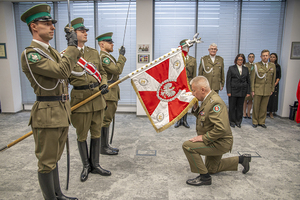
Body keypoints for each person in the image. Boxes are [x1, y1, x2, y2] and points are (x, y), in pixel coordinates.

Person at [20, 4, 80, 199]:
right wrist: (72, 47)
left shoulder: (51, 52)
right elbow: (62, 71)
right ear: (33, 26)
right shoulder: (31, 54)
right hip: (47, 113)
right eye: (46, 23)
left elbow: (69, 67)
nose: (52, 27)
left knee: (55, 158)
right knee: (46, 161)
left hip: (60, 110)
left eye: (52, 23)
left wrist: (74, 47)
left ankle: (57, 194)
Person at [182, 76, 251, 186]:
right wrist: (195, 107)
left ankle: (204, 178)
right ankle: (242, 159)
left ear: (203, 90)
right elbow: (203, 115)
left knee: (188, 146)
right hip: (216, 139)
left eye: (194, 90)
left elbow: (221, 128)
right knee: (211, 168)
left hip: (219, 142)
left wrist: (203, 138)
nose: (193, 93)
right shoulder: (208, 99)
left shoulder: (215, 103)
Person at [67, 18, 111, 182]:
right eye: (82, 31)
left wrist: (104, 84)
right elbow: (64, 79)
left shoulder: (93, 53)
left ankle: (96, 165)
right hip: (80, 100)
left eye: (86, 30)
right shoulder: (66, 55)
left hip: (97, 99)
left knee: (96, 132)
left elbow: (103, 73)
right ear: (73, 34)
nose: (86, 33)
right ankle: (86, 166)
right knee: (82, 135)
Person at [96, 32, 126, 155]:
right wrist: (121, 57)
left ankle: (106, 145)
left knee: (107, 119)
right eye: (109, 42)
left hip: (112, 90)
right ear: (102, 44)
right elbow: (117, 70)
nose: (112, 44)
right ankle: (103, 147)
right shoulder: (104, 57)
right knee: (105, 119)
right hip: (108, 92)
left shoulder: (107, 56)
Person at [175, 39, 197, 128]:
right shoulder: (176, 59)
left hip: (188, 83)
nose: (186, 48)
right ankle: (178, 120)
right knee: (178, 102)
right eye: (184, 47)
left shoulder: (193, 60)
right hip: (178, 83)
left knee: (186, 102)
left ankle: (184, 121)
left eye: (187, 47)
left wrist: (194, 85)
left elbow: (194, 74)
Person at [251, 50, 276, 128]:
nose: (265, 57)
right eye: (263, 55)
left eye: (266, 55)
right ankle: (255, 121)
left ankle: (261, 121)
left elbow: (273, 79)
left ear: (268, 56)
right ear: (261, 57)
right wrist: (252, 90)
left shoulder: (272, 66)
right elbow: (252, 79)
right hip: (258, 89)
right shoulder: (256, 65)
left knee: (264, 107)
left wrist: (272, 89)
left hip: (267, 89)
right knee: (256, 106)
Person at [226, 54, 250, 128]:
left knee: (240, 107)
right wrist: (228, 91)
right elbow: (228, 81)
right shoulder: (231, 68)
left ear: (243, 61)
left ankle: (238, 121)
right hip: (233, 91)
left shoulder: (246, 69)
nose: (240, 61)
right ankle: (232, 121)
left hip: (242, 91)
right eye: (238, 59)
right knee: (232, 107)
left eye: (241, 60)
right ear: (236, 60)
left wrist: (248, 92)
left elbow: (248, 81)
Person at [267, 53, 281, 119]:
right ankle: (265, 112)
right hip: (267, 84)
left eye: (273, 57)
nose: (272, 58)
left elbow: (278, 76)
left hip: (275, 85)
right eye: (271, 57)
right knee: (267, 99)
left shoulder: (278, 66)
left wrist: (274, 84)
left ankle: (271, 112)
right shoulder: (268, 65)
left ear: (276, 58)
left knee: (273, 99)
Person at [243, 53, 255, 119]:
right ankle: (244, 113)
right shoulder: (245, 65)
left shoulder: (255, 65)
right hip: (246, 84)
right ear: (248, 58)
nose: (251, 58)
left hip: (252, 84)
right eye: (250, 57)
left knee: (250, 100)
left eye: (252, 57)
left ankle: (248, 113)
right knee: (245, 99)